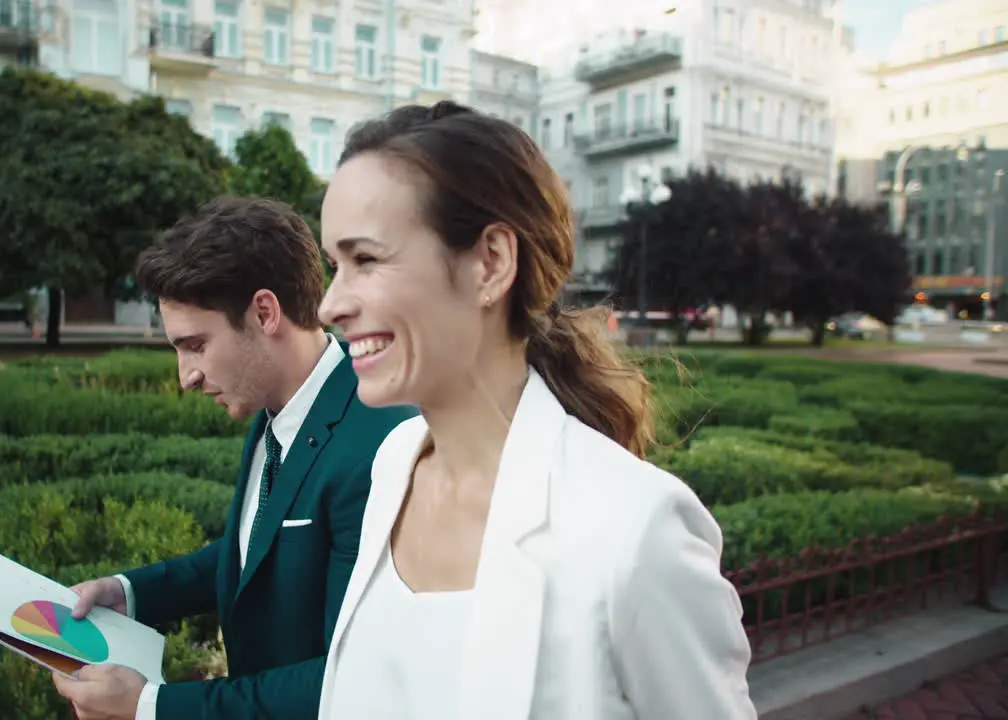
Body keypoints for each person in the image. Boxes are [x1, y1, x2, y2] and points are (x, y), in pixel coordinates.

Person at [315, 102, 757, 719]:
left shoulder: (634, 529)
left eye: (364, 259)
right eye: (334, 265)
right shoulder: (393, 466)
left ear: (491, 263)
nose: (330, 305)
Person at [52, 196, 417, 720]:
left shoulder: (380, 446)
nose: (186, 376)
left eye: (195, 345)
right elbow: (255, 552)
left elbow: (352, 675)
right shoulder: (275, 406)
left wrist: (152, 707)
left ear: (265, 313)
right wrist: (129, 593)